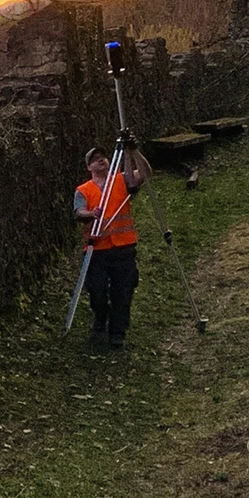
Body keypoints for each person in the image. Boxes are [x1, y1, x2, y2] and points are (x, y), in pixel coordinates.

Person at [74, 141, 150, 349]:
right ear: (89, 167)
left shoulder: (121, 181)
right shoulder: (83, 190)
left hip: (123, 248)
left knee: (123, 292)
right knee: (97, 291)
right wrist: (90, 214)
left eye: (103, 156)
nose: (101, 159)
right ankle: (101, 315)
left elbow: (144, 172)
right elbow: (79, 212)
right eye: (95, 158)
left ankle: (118, 332)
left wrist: (133, 151)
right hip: (96, 249)